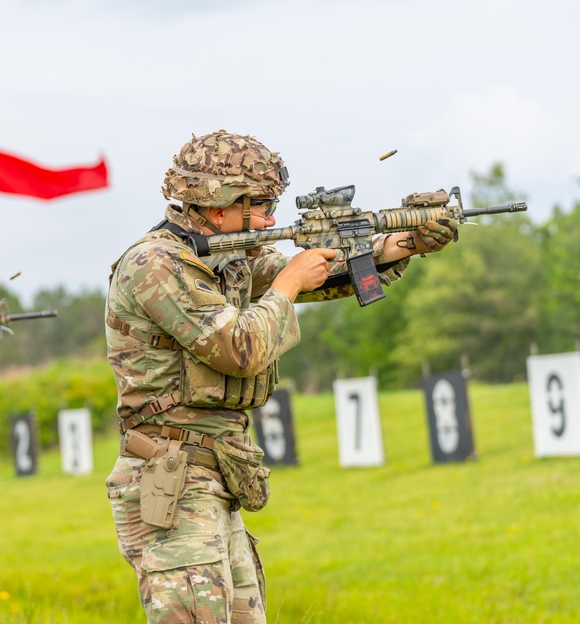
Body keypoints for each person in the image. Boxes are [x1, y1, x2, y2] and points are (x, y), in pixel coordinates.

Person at [104, 130, 456, 624]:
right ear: (221, 202)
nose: (272, 220)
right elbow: (237, 348)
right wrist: (290, 283)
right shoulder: (155, 264)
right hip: (173, 478)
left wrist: (404, 243)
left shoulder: (224, 257)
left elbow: (322, 274)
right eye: (263, 205)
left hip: (214, 473)